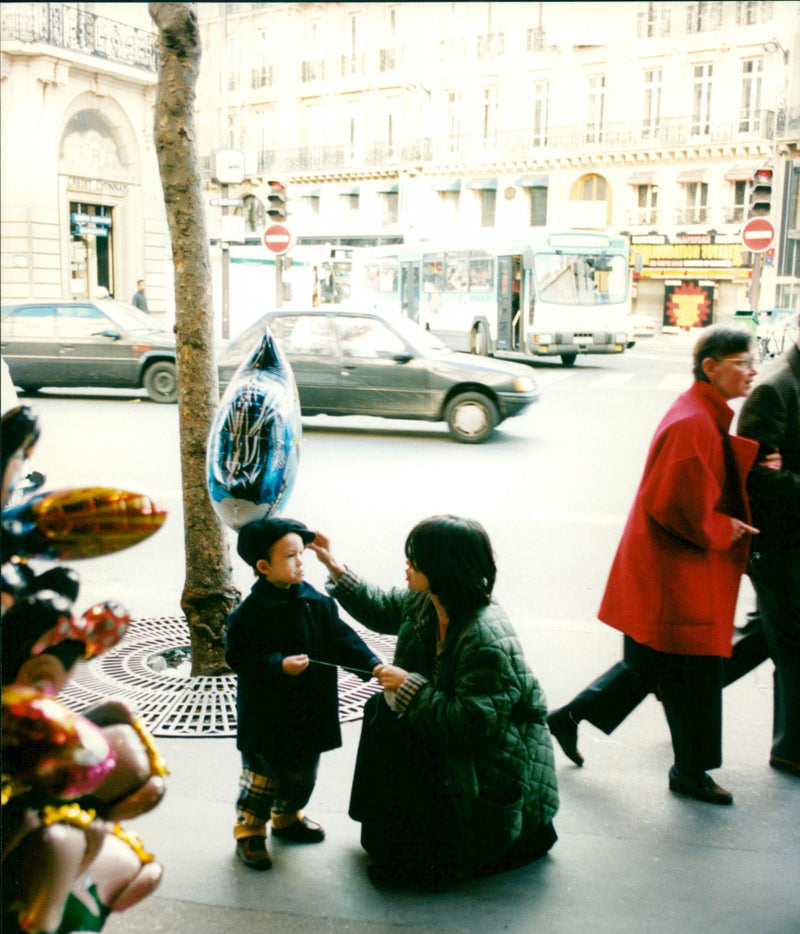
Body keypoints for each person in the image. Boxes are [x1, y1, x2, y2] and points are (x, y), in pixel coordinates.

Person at [547, 325, 760, 804]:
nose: (753, 371)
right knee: (694, 674)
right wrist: (723, 528)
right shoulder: (693, 421)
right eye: (743, 362)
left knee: (649, 664)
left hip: (669, 570)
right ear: (711, 367)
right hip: (677, 575)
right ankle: (690, 772)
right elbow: (675, 503)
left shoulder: (700, 412)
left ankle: (569, 717)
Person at [312, 515, 559, 889]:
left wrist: (409, 687)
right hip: (452, 732)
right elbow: (380, 607)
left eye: (415, 559)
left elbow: (471, 723)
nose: (406, 565)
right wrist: (333, 564)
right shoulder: (426, 601)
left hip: (491, 761)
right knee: (381, 710)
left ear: (442, 568)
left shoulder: (484, 634)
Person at [225, 516, 382, 870]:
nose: (301, 562)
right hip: (267, 716)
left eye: (301, 554)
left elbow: (342, 638)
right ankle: (249, 830)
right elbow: (239, 657)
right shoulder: (249, 614)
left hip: (310, 710)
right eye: (291, 556)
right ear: (264, 567)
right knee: (262, 778)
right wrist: (278, 665)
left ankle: (288, 816)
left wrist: (371, 664)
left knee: (302, 773)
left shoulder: (315, 601)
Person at [736, 313, 800, 778]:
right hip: (777, 549)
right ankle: (790, 750)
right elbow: (754, 481)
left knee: (764, 639)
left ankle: (675, 687)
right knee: (794, 645)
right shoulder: (775, 389)